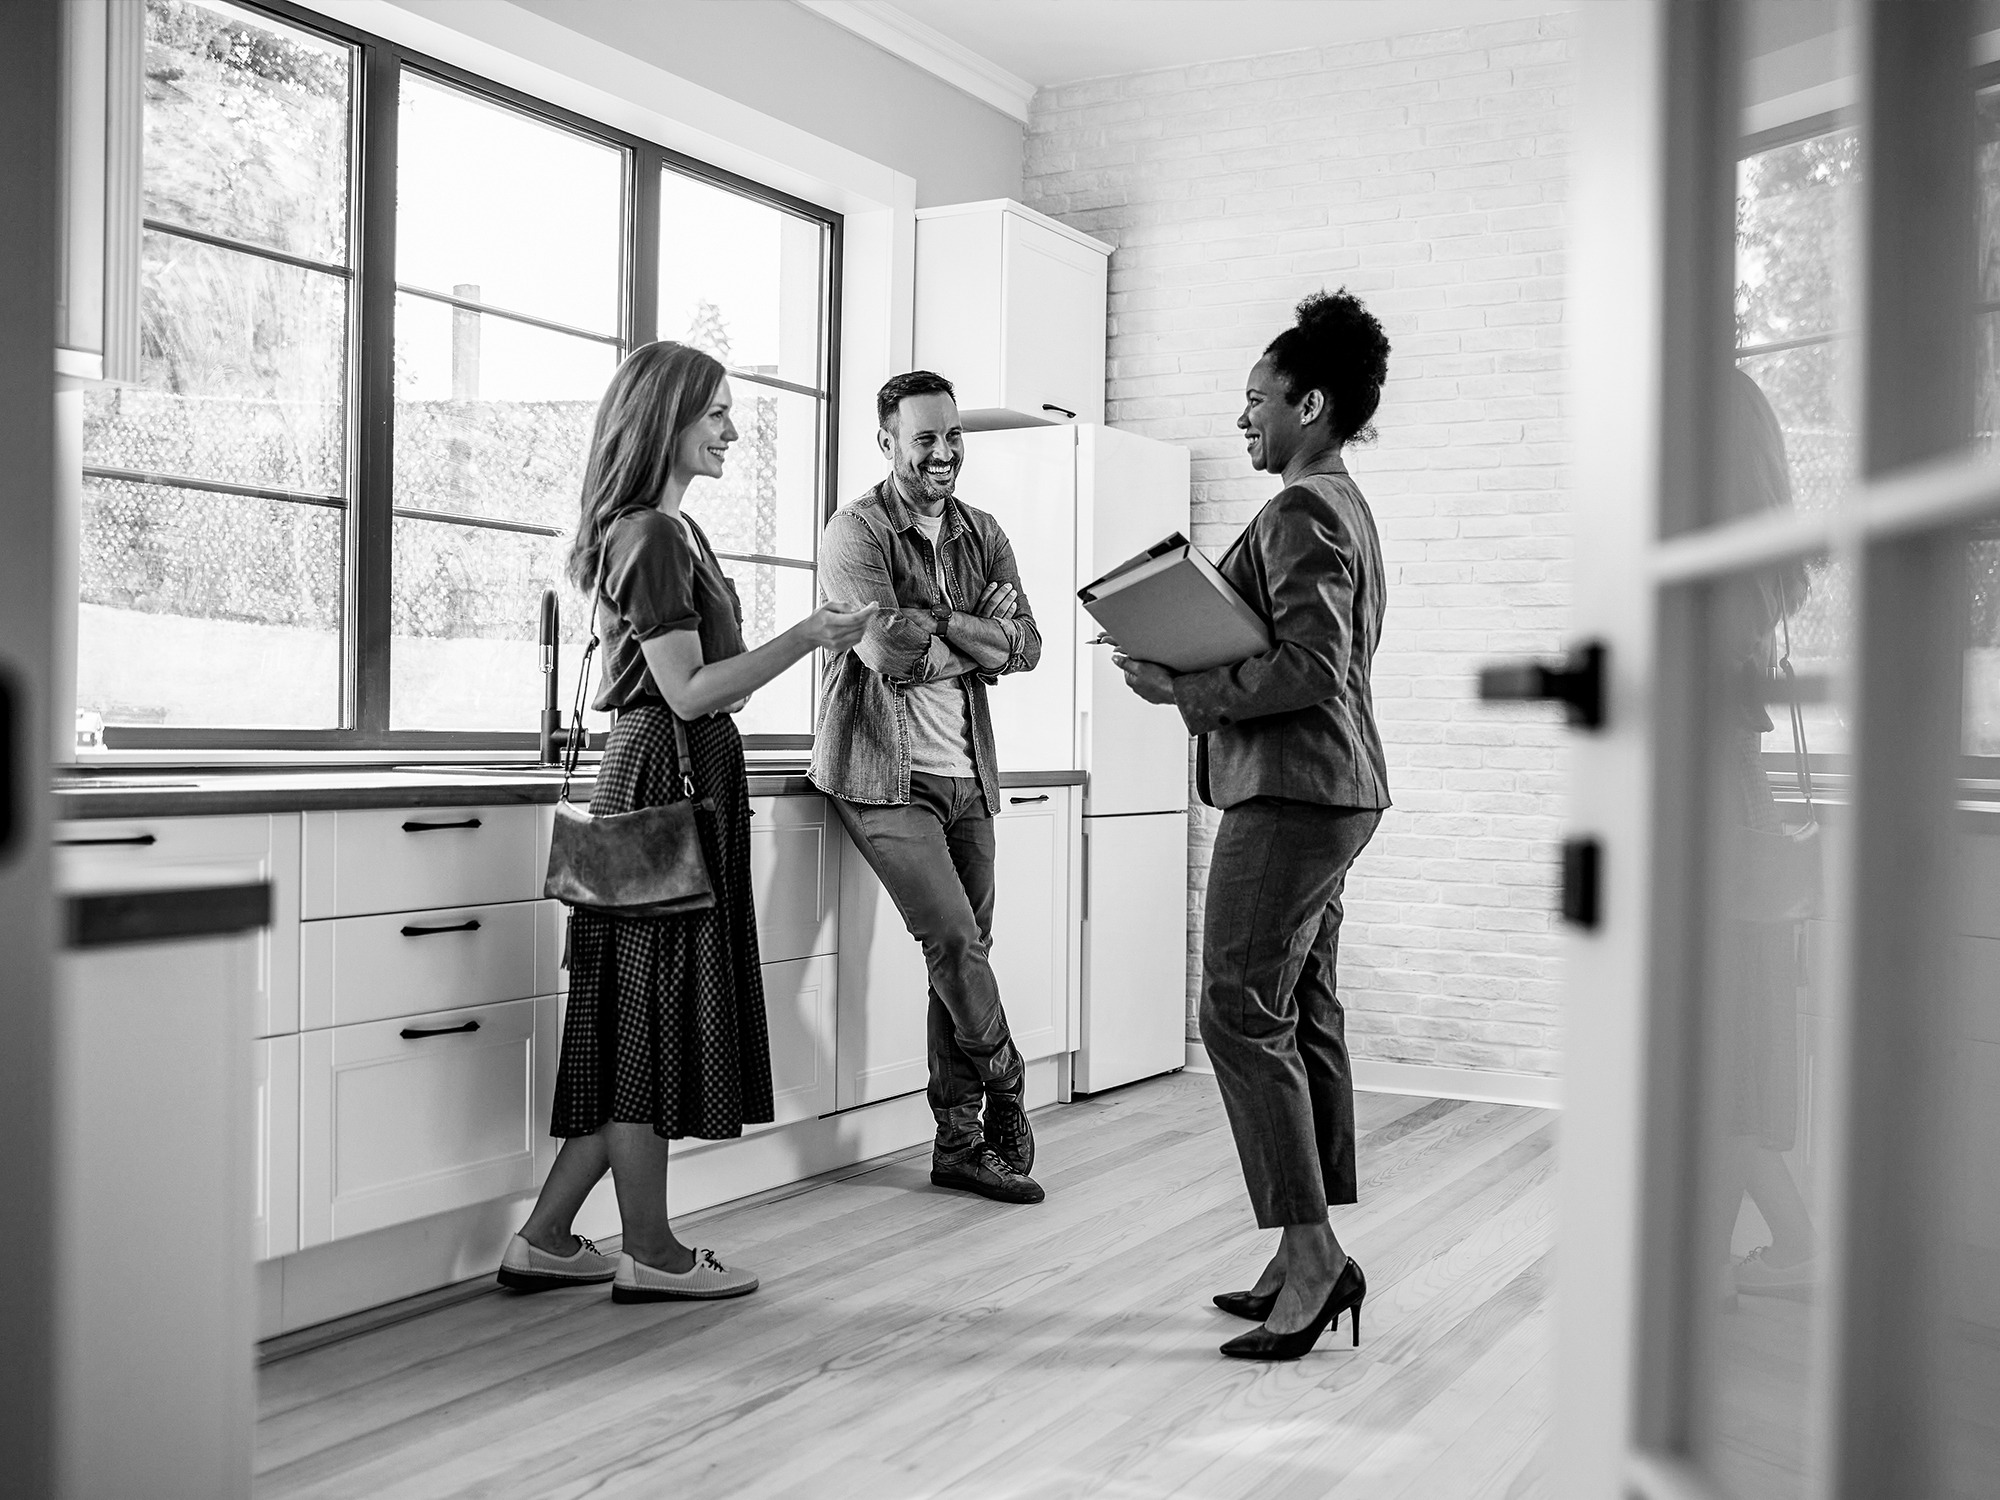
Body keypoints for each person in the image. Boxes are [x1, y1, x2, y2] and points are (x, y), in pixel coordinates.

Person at [498, 341, 875, 1303]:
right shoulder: (655, 537)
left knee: (632, 1017)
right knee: (644, 1023)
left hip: (668, 777)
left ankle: (545, 1239)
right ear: (665, 418)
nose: (733, 432)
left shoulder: (669, 531)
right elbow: (689, 688)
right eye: (716, 415)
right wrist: (811, 635)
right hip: (666, 777)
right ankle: (654, 1252)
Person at [1114, 289, 1392, 1360]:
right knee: (1297, 1005)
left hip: (1294, 789)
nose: (1242, 420)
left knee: (1236, 1011)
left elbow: (1309, 667)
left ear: (1309, 403)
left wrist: (1179, 686)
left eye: (1255, 400)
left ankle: (1312, 1256)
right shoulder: (1342, 502)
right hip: (1333, 787)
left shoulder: (1298, 510)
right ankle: (1302, 1253)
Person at [810, 370, 1047, 1204]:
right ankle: (1010, 1081)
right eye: (925, 439)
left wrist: (943, 618)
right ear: (888, 442)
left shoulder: (982, 530)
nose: (943, 453)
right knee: (951, 939)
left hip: (968, 771)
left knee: (964, 955)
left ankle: (958, 1144)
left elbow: (1030, 646)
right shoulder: (856, 531)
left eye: (953, 437)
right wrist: (979, 634)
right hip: (881, 771)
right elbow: (888, 657)